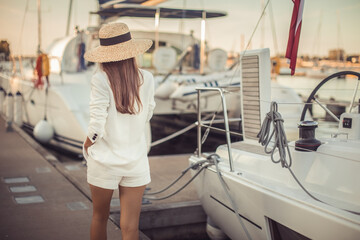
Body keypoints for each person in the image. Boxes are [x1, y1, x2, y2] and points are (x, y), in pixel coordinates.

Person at [83, 22, 154, 240]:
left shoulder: (101, 79)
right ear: (131, 52)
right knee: (130, 227)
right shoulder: (148, 78)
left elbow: (96, 124)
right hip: (136, 161)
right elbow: (148, 114)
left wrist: (87, 145)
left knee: (99, 217)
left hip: (105, 161)